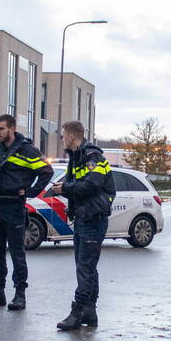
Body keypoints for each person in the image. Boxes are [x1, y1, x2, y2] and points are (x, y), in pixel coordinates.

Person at [0, 114, 53, 311]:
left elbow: (47, 172)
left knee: (17, 252)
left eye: (1, 129)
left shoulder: (27, 151)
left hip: (13, 206)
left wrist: (30, 192)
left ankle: (20, 294)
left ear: (11, 128)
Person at [50, 120, 115, 330]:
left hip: (93, 218)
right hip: (83, 217)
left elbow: (91, 184)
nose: (61, 140)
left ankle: (77, 312)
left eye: (62, 136)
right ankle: (90, 311)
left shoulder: (91, 157)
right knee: (87, 267)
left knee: (85, 268)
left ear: (71, 136)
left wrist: (65, 188)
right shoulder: (77, 157)